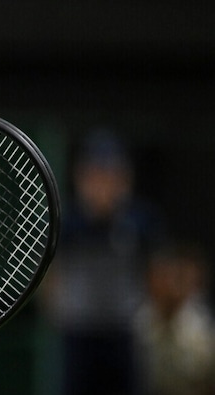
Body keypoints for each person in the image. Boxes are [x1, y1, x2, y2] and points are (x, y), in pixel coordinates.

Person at [42, 128, 167, 395]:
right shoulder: (66, 221)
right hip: (78, 333)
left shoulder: (142, 221)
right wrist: (56, 311)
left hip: (124, 332)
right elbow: (51, 274)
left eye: (111, 176)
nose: (103, 185)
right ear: (81, 177)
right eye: (96, 175)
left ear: (126, 178)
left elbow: (156, 271)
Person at [133, 241, 215, 395]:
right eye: (160, 276)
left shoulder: (201, 323)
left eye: (173, 277)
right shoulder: (135, 324)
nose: (167, 284)